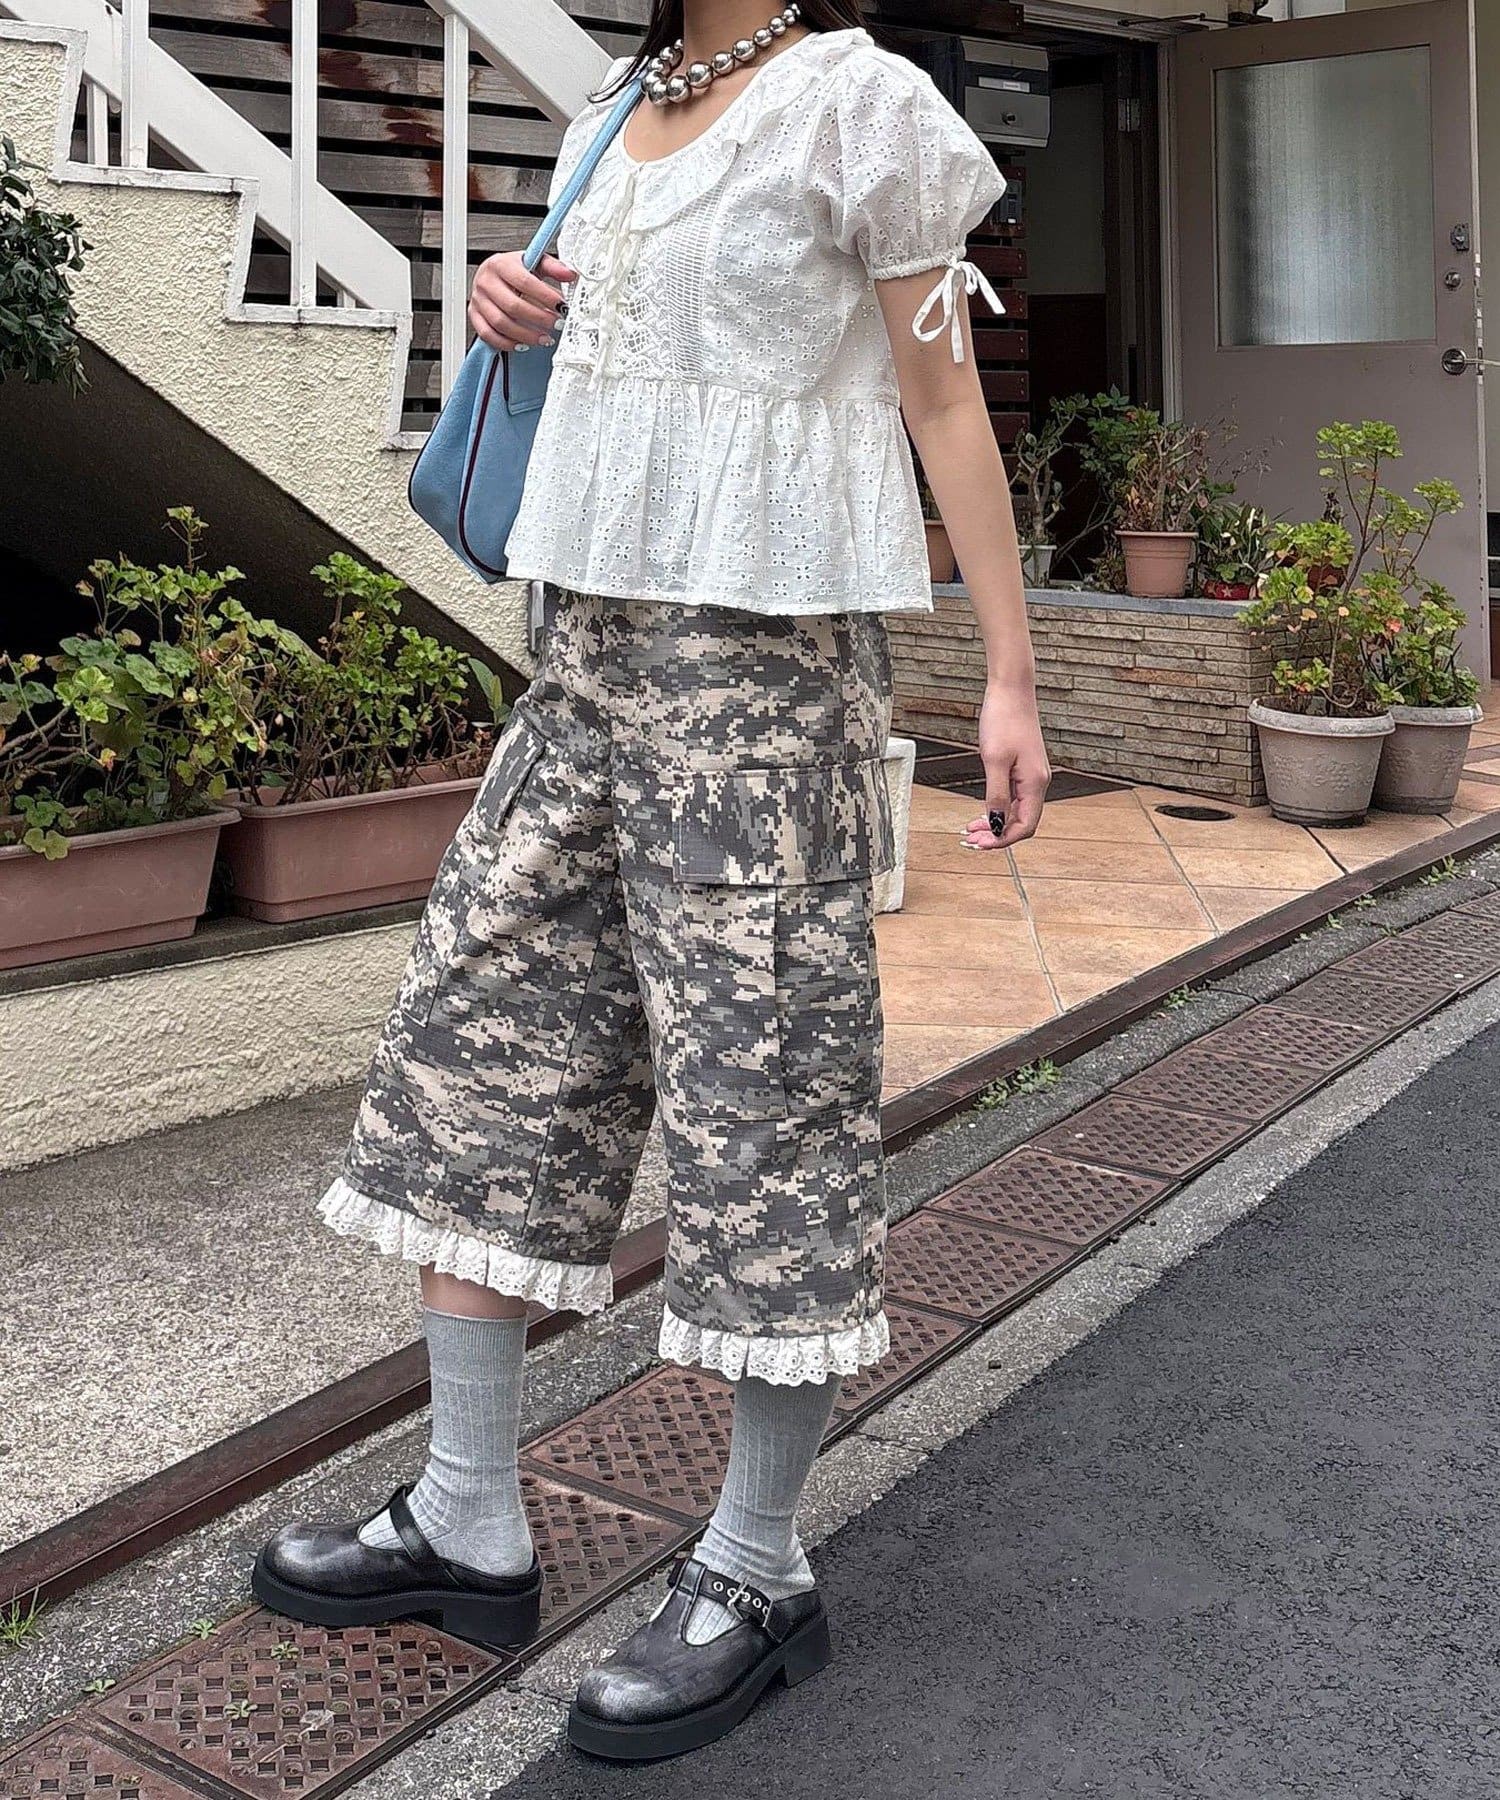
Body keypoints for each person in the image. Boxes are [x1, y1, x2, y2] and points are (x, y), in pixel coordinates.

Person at [253, 0, 1050, 1762]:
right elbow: (609, 360)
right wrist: (505, 307)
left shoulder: (862, 108)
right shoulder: (614, 111)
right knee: (481, 1042)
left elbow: (943, 395)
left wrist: (1008, 674)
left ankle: (759, 1568)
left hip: (766, 677)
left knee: (765, 1102)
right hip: (584, 655)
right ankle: (468, 1515)